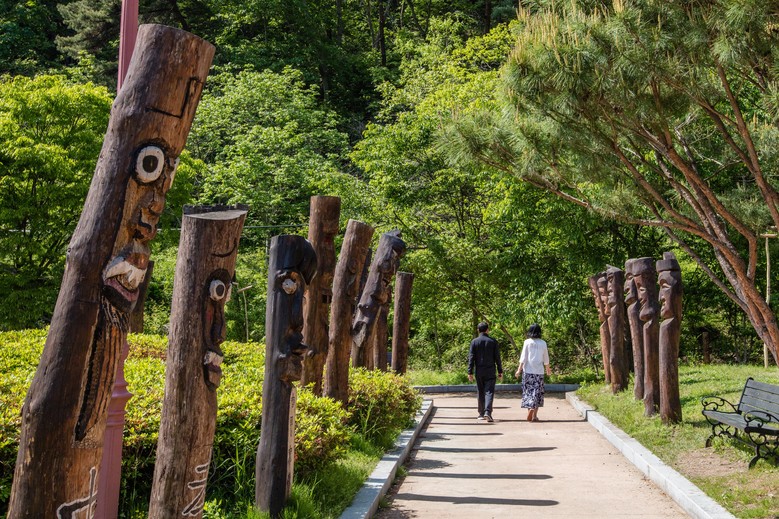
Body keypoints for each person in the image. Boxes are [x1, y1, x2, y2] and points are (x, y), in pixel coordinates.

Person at [515, 323, 551, 422]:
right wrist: (548, 369)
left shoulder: (527, 342)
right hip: (539, 372)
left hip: (528, 371)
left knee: (528, 392)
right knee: (537, 392)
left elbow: (523, 357)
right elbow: (546, 358)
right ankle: (534, 415)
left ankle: (530, 409)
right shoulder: (543, 343)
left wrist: (519, 370)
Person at [467, 322, 503, 422]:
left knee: (480, 391)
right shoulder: (493, 341)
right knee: (489, 391)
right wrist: (500, 371)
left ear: (478, 330)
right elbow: (497, 358)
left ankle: (481, 413)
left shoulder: (474, 342)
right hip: (490, 370)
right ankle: (488, 412)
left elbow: (471, 358)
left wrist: (470, 372)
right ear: (487, 330)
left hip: (479, 371)